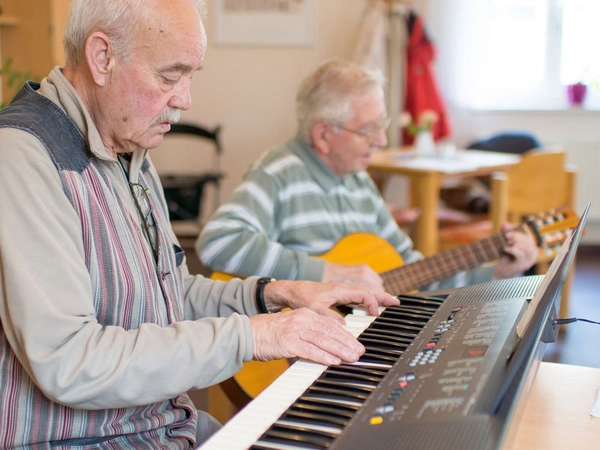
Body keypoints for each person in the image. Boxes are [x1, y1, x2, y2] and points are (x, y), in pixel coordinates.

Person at [0, 2, 399, 448]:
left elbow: (170, 295)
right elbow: (70, 362)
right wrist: (253, 335)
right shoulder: (22, 157)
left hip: (163, 428)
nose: (185, 99)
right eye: (170, 77)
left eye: (191, 76)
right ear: (101, 57)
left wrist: (275, 293)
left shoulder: (130, 151)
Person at [197, 59, 538, 291]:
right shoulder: (277, 174)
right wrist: (328, 273)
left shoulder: (359, 182)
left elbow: (412, 273)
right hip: (288, 350)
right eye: (368, 129)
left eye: (383, 125)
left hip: (350, 336)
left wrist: (496, 273)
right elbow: (218, 241)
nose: (382, 141)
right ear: (323, 135)